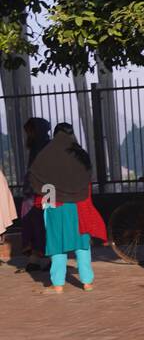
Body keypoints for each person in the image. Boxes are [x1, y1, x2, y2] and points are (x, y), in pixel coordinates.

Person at [27, 123, 97, 293]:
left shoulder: (47, 154)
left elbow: (35, 176)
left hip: (54, 203)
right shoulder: (80, 154)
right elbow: (87, 177)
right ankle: (87, 282)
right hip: (78, 204)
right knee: (82, 243)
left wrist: (48, 196)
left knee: (56, 242)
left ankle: (58, 284)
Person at [16, 117, 51, 273]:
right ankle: (36, 259)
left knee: (43, 226)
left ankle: (46, 259)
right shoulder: (42, 147)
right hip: (35, 193)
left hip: (43, 193)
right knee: (35, 226)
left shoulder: (44, 148)